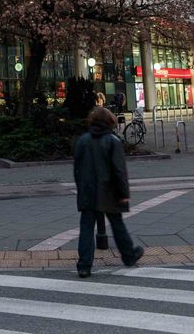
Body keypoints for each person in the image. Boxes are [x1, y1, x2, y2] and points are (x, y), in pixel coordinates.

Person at [72, 106, 142, 278]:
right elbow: (119, 171)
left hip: (88, 190)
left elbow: (77, 169)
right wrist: (124, 193)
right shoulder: (113, 141)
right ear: (110, 121)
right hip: (110, 191)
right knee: (117, 224)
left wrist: (81, 188)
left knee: (86, 227)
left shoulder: (83, 140)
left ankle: (84, 265)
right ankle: (129, 255)